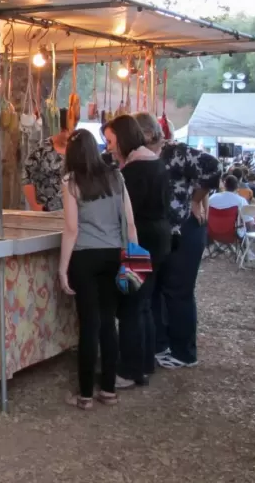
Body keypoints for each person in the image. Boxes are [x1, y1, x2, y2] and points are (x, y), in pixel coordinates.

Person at [132, 112, 220, 371]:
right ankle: (160, 344)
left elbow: (213, 168)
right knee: (155, 289)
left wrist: (196, 199)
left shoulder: (176, 153)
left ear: (148, 134)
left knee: (178, 291)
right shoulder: (138, 158)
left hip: (185, 228)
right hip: (157, 232)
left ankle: (184, 352)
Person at [58, 128, 138, 410]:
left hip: (84, 257)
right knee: (108, 322)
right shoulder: (116, 176)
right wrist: (134, 258)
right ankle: (108, 389)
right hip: (114, 255)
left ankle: (84, 395)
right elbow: (129, 223)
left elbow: (70, 229)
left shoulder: (71, 181)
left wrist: (62, 268)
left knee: (88, 325)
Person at [104, 115, 172, 389]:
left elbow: (123, 215)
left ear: (122, 139)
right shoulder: (156, 164)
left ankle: (129, 370)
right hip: (159, 239)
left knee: (132, 306)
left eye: (110, 141)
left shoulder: (131, 173)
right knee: (144, 304)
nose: (108, 147)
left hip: (139, 242)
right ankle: (144, 363)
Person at [23, 113, 71, 211]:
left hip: (71, 210)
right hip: (45, 209)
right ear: (59, 128)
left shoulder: (76, 150)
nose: (68, 135)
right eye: (66, 131)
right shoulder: (40, 150)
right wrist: (34, 206)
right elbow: (27, 178)